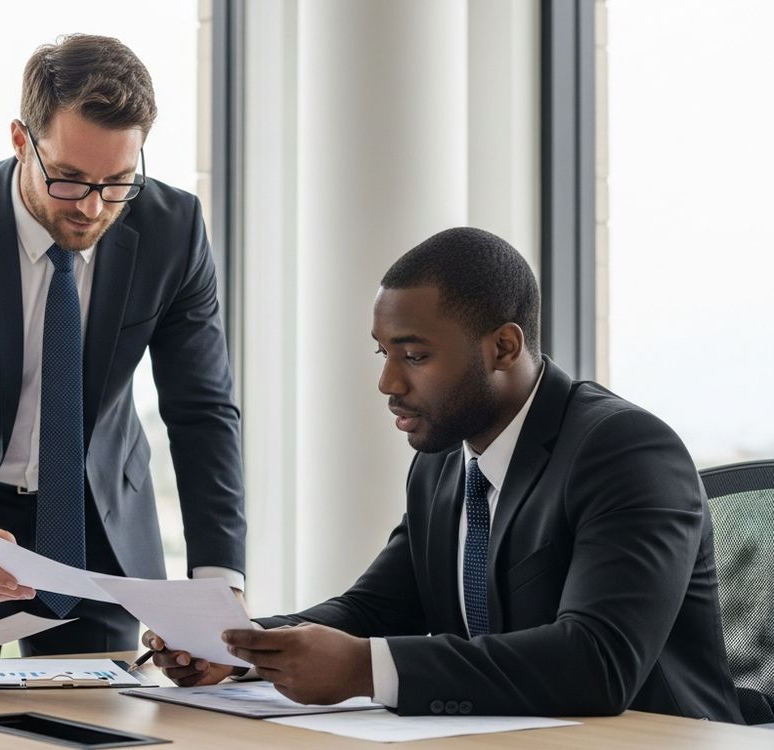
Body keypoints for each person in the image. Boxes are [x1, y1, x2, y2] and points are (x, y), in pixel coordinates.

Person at [148, 227, 742, 721]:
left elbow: (597, 662)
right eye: (384, 353)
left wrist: (364, 667)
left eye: (416, 355)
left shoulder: (624, 451)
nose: (389, 383)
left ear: (503, 347)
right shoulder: (441, 463)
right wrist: (238, 647)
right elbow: (374, 611)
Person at [0, 34, 245, 654]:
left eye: (118, 182)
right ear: (21, 141)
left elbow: (202, 414)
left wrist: (220, 585)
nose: (92, 207)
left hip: (92, 523)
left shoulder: (173, 228)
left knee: (103, 722)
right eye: (70, 179)